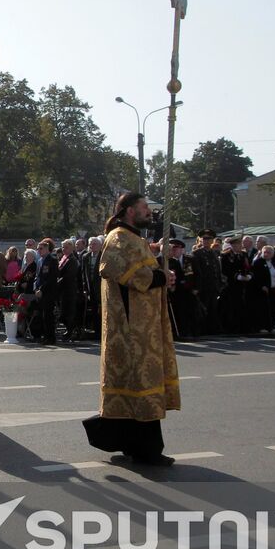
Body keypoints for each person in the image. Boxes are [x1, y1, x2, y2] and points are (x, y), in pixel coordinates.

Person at [82, 193, 181, 465]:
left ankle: (131, 444)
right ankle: (146, 450)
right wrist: (155, 277)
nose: (149, 212)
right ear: (128, 211)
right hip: (130, 328)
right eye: (144, 208)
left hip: (143, 324)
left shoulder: (135, 238)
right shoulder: (118, 237)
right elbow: (111, 267)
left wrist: (163, 275)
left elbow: (145, 272)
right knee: (140, 383)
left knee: (138, 384)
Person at [189, 230, 223, 335]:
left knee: (213, 309)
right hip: (203, 287)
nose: (206, 241)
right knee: (202, 310)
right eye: (204, 239)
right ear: (201, 240)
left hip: (214, 286)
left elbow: (217, 270)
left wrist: (220, 284)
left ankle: (211, 329)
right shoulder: (196, 254)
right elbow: (196, 273)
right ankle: (201, 330)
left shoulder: (214, 253)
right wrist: (196, 287)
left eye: (209, 239)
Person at [164, 238, 198, 339]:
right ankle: (177, 333)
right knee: (176, 313)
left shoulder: (189, 260)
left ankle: (189, 332)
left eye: (176, 248)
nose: (174, 250)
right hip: (174, 292)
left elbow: (196, 274)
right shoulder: (166, 261)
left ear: (181, 249)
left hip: (187, 291)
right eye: (172, 248)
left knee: (188, 313)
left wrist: (196, 288)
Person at [32, 238, 58, 343]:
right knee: (42, 315)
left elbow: (51, 278)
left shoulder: (52, 260)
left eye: (41, 248)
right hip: (39, 292)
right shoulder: (40, 260)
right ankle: (44, 335)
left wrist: (41, 289)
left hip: (48, 292)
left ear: (47, 249)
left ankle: (50, 337)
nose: (39, 250)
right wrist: (36, 288)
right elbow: (37, 277)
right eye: (38, 249)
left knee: (48, 316)